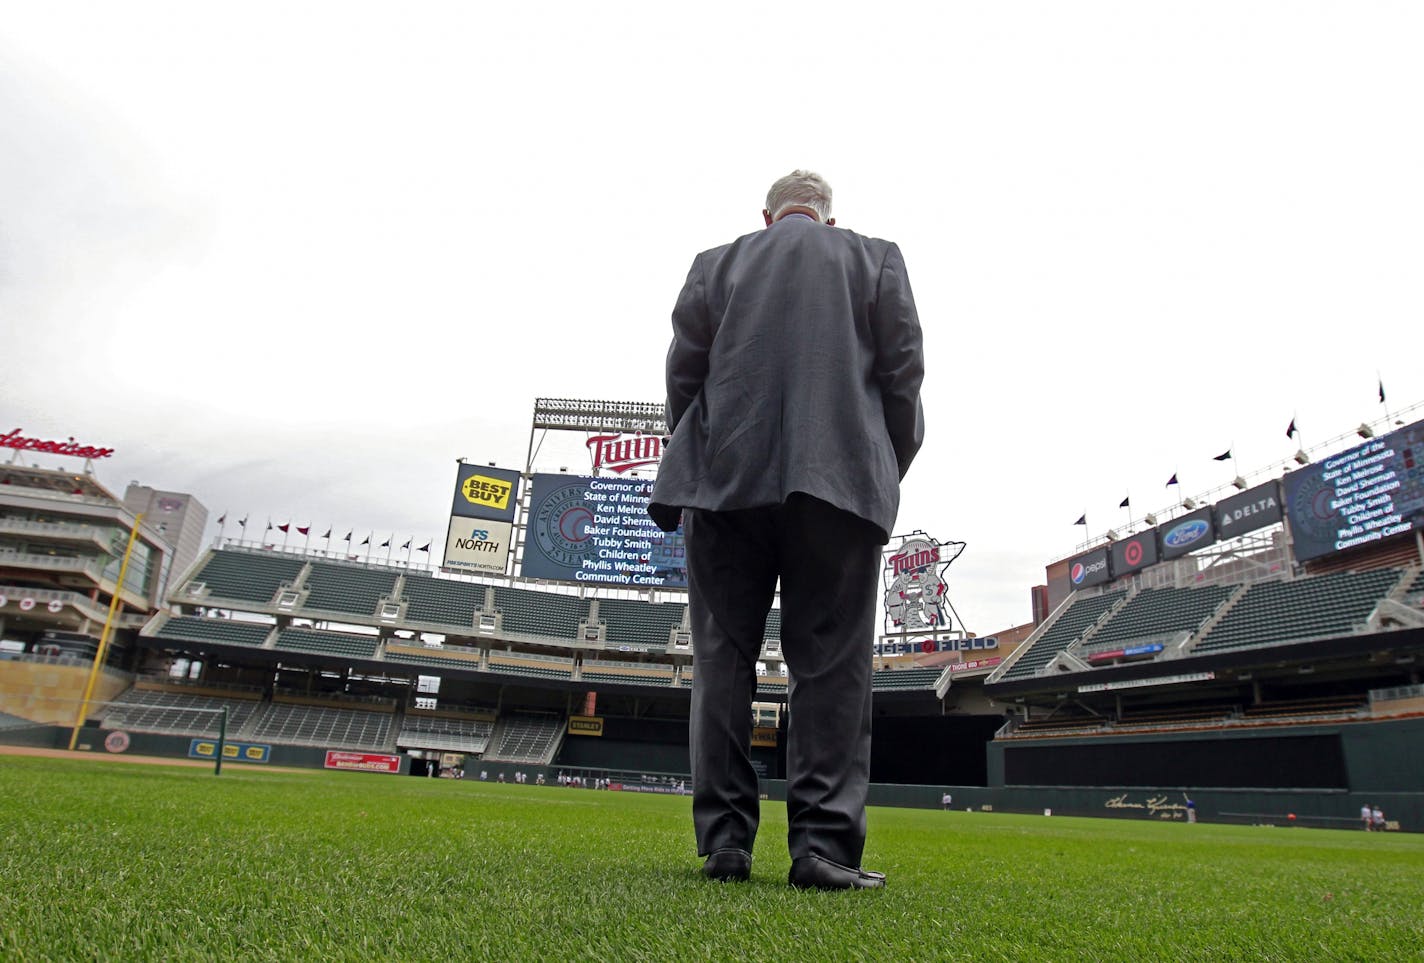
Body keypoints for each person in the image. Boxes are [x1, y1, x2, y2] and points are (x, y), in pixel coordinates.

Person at [650, 170, 925, 891]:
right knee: (831, 668)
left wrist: (702, 452)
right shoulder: (875, 258)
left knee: (721, 663)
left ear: (766, 216)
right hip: (837, 479)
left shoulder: (717, 262)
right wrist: (879, 464)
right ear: (830, 220)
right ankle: (823, 850)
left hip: (723, 480)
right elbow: (903, 377)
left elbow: (683, 379)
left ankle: (726, 845)